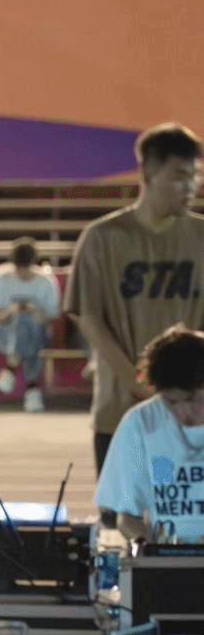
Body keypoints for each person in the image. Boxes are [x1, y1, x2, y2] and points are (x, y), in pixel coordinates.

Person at [64, 122, 204, 478]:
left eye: (195, 176)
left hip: (193, 414)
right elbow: (89, 319)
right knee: (121, 511)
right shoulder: (101, 238)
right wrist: (140, 383)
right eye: (180, 176)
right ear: (147, 174)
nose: (191, 186)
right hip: (120, 412)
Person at [96, 325, 204, 544]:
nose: (183, 413)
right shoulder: (139, 424)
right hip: (165, 556)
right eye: (171, 402)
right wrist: (151, 548)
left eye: (193, 400)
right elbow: (127, 518)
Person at [0, 237, 60, 412]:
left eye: (26, 267)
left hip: (39, 335)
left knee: (29, 324)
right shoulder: (1, 279)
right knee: (21, 320)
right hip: (6, 336)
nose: (23, 273)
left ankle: (10, 370)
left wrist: (34, 312)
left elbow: (50, 318)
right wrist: (14, 310)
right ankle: (32, 389)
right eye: (20, 268)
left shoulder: (46, 281)